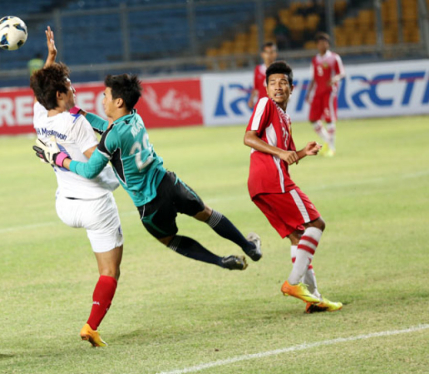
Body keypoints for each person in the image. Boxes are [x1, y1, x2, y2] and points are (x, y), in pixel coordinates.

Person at [35, 75, 262, 275]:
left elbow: (89, 170)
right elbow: (108, 127)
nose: (102, 100)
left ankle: (220, 261)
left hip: (148, 205)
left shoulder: (111, 138)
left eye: (105, 96)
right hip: (169, 183)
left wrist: (58, 159)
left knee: (170, 240)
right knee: (206, 213)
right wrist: (79, 112)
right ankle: (248, 246)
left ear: (118, 101)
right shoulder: (134, 118)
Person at [32, 27, 123, 347]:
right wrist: (113, 148)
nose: (73, 90)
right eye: (68, 86)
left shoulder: (39, 113)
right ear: (59, 94)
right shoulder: (78, 124)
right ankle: (91, 326)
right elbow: (90, 166)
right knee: (110, 272)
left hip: (64, 204)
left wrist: (51, 59)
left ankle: (93, 326)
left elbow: (41, 85)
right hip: (94, 203)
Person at [243, 61, 342, 313]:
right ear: (265, 88)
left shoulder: (284, 118)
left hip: (261, 184)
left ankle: (314, 298)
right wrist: (281, 152)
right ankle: (294, 283)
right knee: (316, 224)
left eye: (283, 82)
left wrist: (302, 152)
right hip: (272, 180)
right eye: (273, 83)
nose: (278, 87)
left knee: (297, 237)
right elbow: (249, 137)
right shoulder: (266, 104)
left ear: (292, 88)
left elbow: (286, 156)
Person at [305, 32, 344, 157]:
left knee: (329, 119)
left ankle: (331, 148)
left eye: (325, 42)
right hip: (318, 92)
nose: (323, 45)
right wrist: (309, 92)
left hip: (329, 92)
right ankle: (328, 141)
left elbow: (342, 73)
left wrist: (335, 79)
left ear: (328, 44)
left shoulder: (334, 58)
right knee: (312, 119)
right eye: (320, 43)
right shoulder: (315, 60)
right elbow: (313, 78)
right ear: (317, 45)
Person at [248, 42, 278, 109]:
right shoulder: (258, 69)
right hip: (262, 106)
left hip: (275, 106)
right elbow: (256, 88)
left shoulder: (280, 69)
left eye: (272, 52)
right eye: (268, 52)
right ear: (262, 54)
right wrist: (251, 99)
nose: (270, 55)